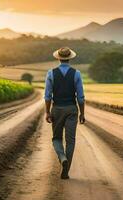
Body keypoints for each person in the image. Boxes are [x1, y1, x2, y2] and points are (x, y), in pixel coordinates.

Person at [44, 47, 85, 179]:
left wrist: (47, 112)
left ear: (58, 58)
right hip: (72, 109)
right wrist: (82, 113)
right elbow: (80, 97)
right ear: (70, 58)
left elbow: (47, 96)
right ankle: (66, 171)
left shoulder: (51, 73)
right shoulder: (76, 74)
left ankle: (62, 158)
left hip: (57, 109)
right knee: (71, 141)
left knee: (56, 138)